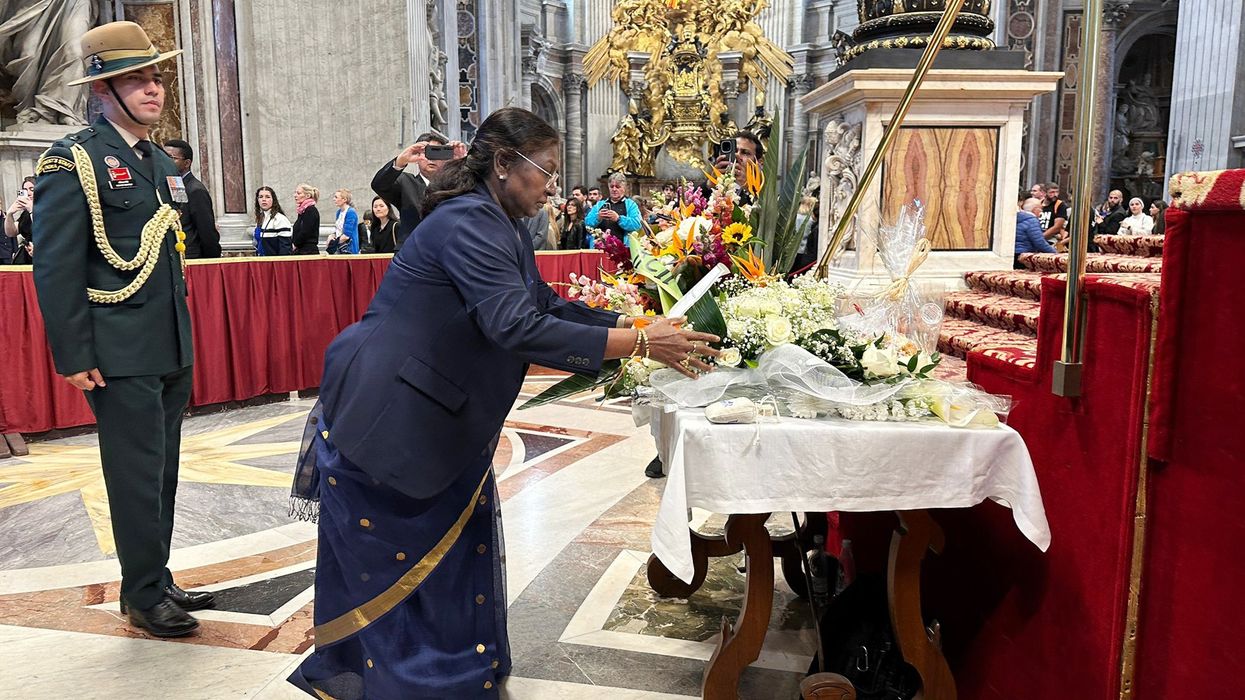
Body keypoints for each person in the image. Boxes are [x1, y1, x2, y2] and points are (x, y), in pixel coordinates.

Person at [287, 107, 719, 699]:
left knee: (446, 558)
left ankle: (444, 665)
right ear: (502, 164)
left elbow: (540, 302)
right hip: (397, 412)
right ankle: (408, 682)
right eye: (544, 171)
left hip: (437, 409)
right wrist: (642, 342)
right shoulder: (467, 222)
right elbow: (516, 326)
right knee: (398, 562)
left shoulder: (502, 222)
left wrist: (628, 320)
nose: (551, 186)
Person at [32, 21, 213, 638]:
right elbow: (55, 262)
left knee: (161, 471)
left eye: (156, 76)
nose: (153, 88)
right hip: (116, 346)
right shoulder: (74, 158)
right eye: (136, 77)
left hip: (167, 341)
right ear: (103, 87)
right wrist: (72, 352)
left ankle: (154, 577)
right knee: (134, 472)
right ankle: (140, 596)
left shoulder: (159, 161)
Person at [371, 132, 467, 247]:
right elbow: (378, 185)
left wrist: (462, 164)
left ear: (446, 158)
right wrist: (400, 160)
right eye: (428, 153)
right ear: (417, 158)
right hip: (412, 253)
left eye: (437, 153)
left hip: (449, 252)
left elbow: (480, 194)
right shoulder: (405, 182)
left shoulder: (456, 185)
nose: (432, 159)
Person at [161, 138, 220, 258]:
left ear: (187, 163)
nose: (164, 162)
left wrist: (211, 262)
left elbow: (207, 232)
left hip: (191, 258)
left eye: (171, 158)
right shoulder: (169, 185)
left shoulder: (195, 190)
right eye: (162, 157)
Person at [585, 173, 642, 245]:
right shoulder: (599, 204)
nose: (614, 189)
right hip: (600, 247)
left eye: (617, 187)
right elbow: (587, 223)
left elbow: (637, 225)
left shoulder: (631, 205)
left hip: (622, 248)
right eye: (611, 187)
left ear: (624, 188)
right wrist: (598, 217)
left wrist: (619, 219)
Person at [1015, 194, 1055, 267]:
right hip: (1024, 256)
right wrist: (1056, 254)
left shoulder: (1015, 217)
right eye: (1041, 209)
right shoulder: (1031, 220)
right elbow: (1040, 243)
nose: (1042, 212)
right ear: (1035, 209)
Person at [253, 186, 293, 256]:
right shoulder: (260, 219)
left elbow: (285, 249)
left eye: (267, 197)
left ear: (273, 200)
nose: (264, 199)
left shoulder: (280, 219)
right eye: (261, 197)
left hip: (275, 263)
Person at [5, 176, 34, 264]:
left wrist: (32, 210)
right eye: (25, 190)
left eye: (32, 189)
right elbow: (11, 232)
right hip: (26, 257)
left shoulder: (48, 209)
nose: (28, 193)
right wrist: (9, 214)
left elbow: (43, 229)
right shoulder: (25, 214)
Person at [291, 183, 321, 255]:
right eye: (295, 193)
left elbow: (306, 231)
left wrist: (295, 244)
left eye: (298, 193)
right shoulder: (302, 211)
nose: (295, 195)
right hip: (301, 250)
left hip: (308, 252)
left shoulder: (311, 210)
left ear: (307, 196)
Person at [327, 189, 359, 254]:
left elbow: (347, 235)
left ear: (344, 200)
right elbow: (339, 230)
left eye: (336, 197)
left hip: (349, 248)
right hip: (340, 246)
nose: (334, 199)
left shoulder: (351, 212)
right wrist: (332, 235)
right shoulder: (338, 212)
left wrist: (333, 243)